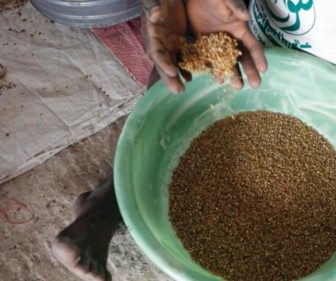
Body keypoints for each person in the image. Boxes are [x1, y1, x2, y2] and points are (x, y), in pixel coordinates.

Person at [51, 0, 267, 280]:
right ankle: (113, 196)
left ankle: (114, 195)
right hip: (262, 15)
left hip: (331, 41)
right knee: (178, 69)